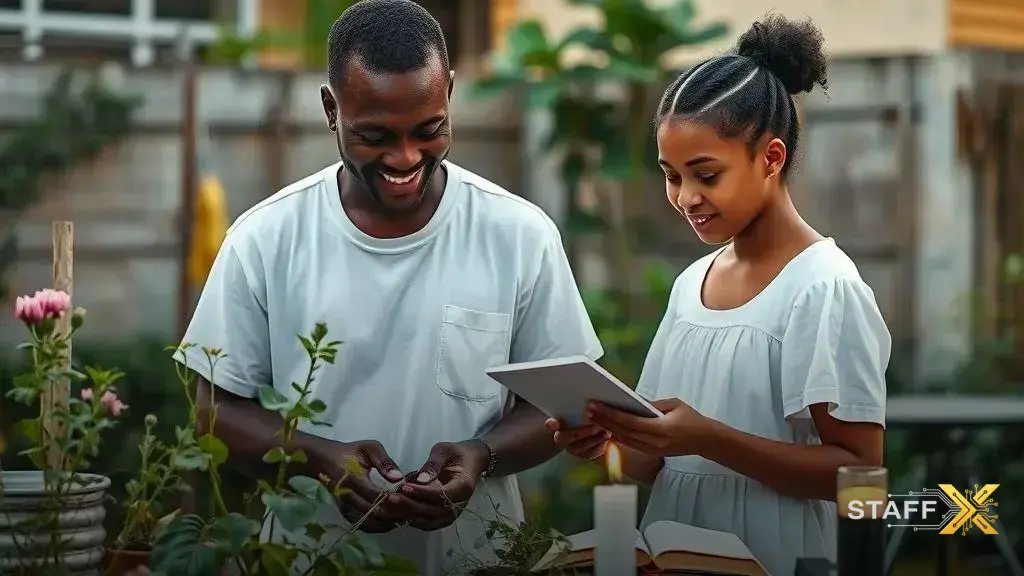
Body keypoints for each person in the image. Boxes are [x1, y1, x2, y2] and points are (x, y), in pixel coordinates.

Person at [173, 0, 602, 573]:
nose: (405, 157)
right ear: (331, 110)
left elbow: (561, 405)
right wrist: (317, 459)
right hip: (312, 560)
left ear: (449, 93)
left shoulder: (520, 234)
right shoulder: (266, 238)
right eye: (375, 135)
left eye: (429, 130)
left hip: (479, 561)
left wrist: (482, 455)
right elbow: (212, 410)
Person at [547, 14, 889, 576]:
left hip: (780, 559)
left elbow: (862, 480)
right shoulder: (691, 285)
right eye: (671, 175)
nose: (685, 197)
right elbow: (658, 462)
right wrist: (607, 437)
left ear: (771, 159)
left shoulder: (824, 288)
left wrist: (708, 438)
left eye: (706, 175)